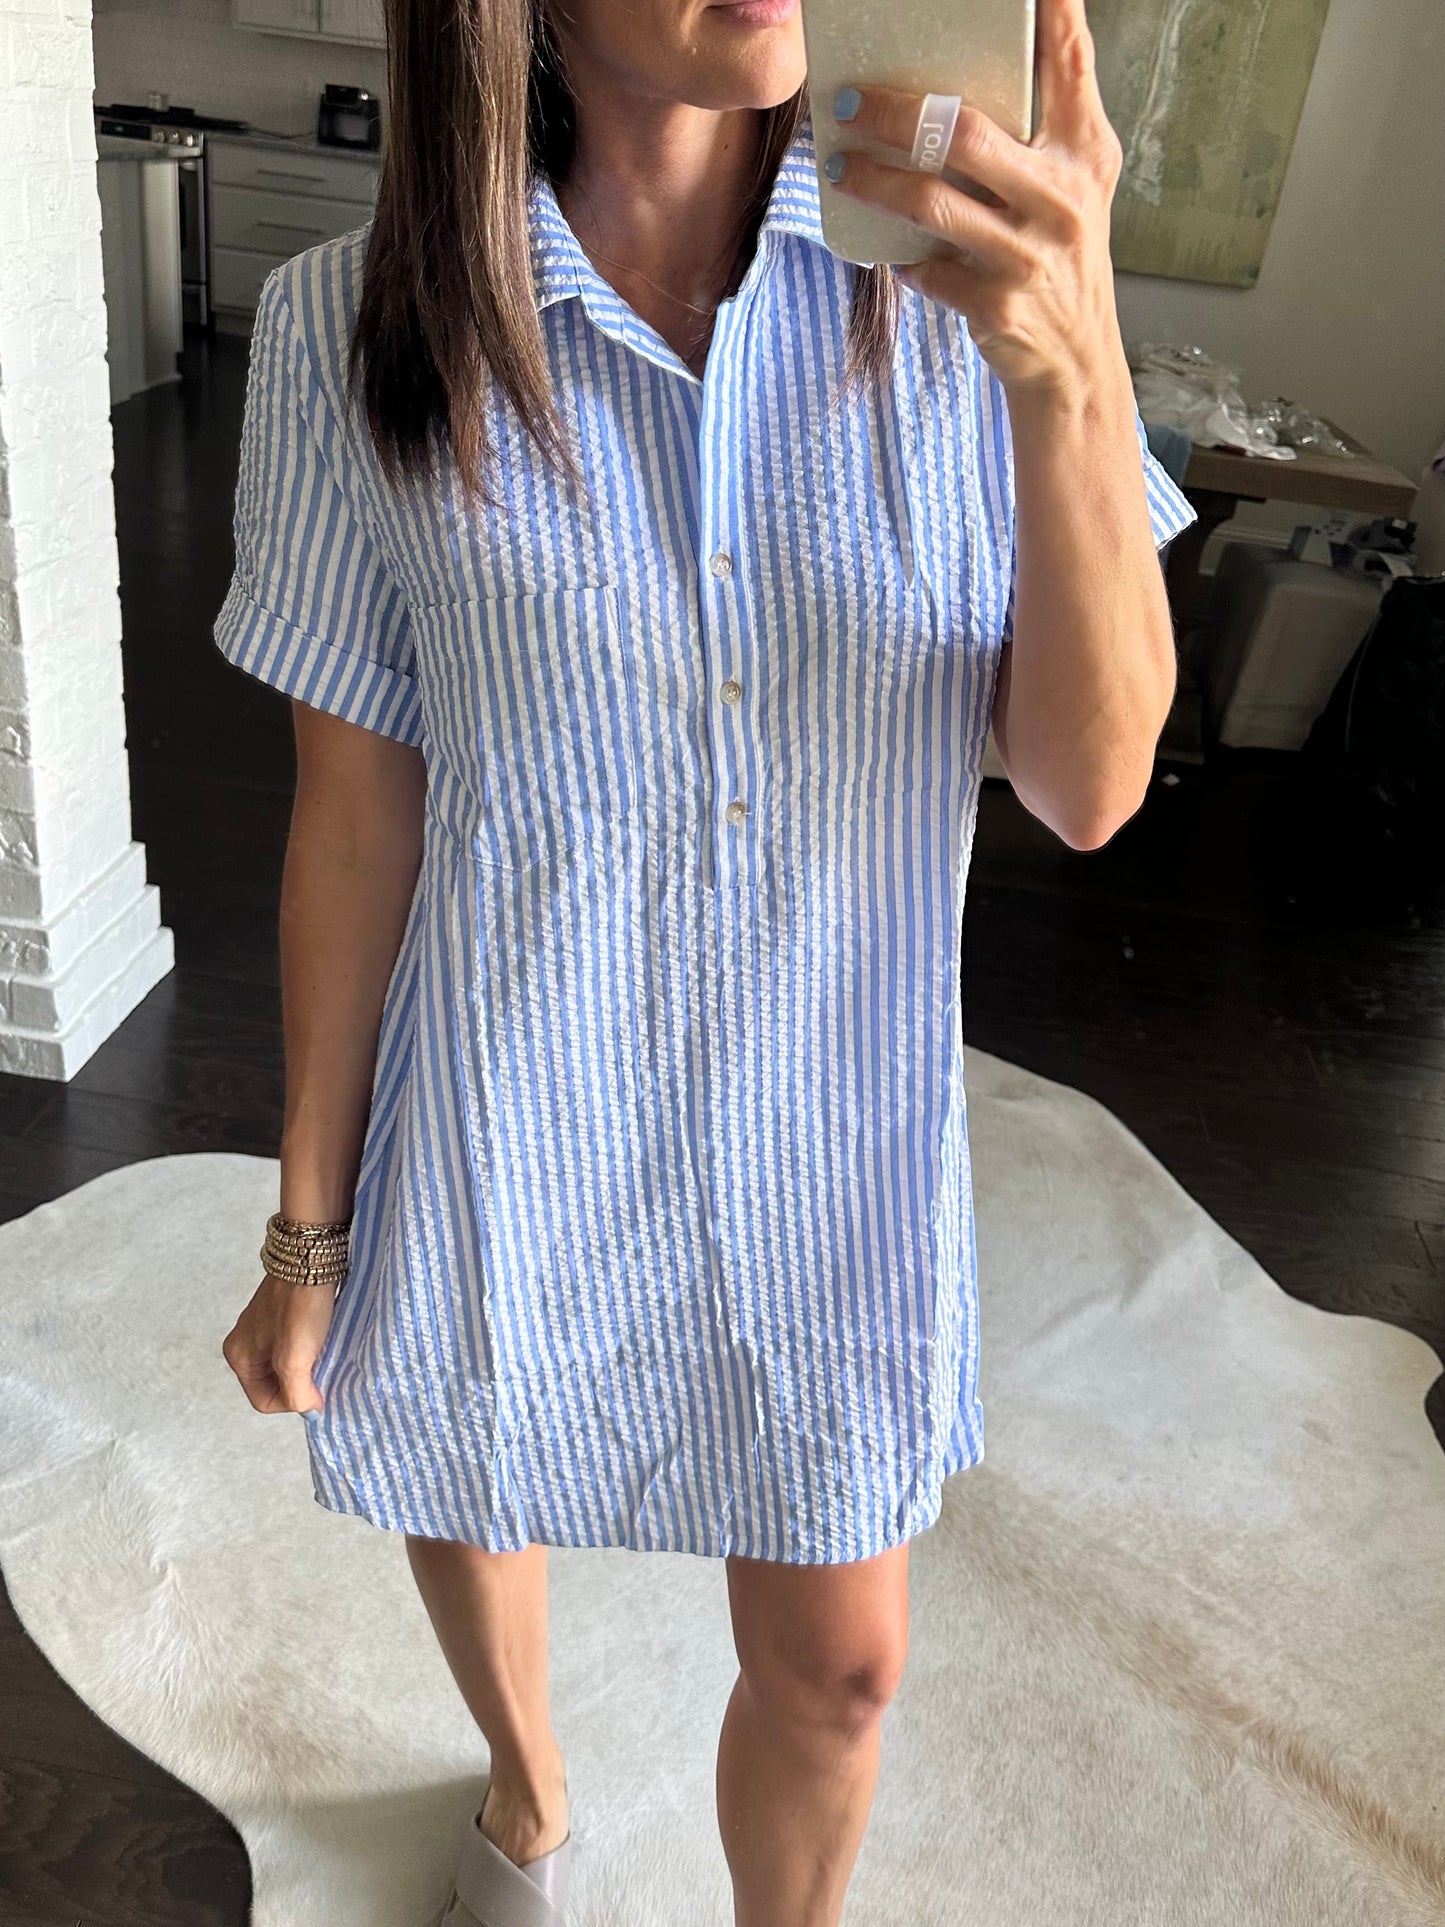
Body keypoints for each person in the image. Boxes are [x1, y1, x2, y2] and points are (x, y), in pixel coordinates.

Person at [215, 0, 1197, 1917]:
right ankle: (525, 1787)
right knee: (478, 1471)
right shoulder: (348, 327)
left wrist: (1068, 372)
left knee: (844, 1672)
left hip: (826, 1135)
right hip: (509, 1096)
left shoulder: (968, 274)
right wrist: (309, 1233)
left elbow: (1088, 790)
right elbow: (352, 818)